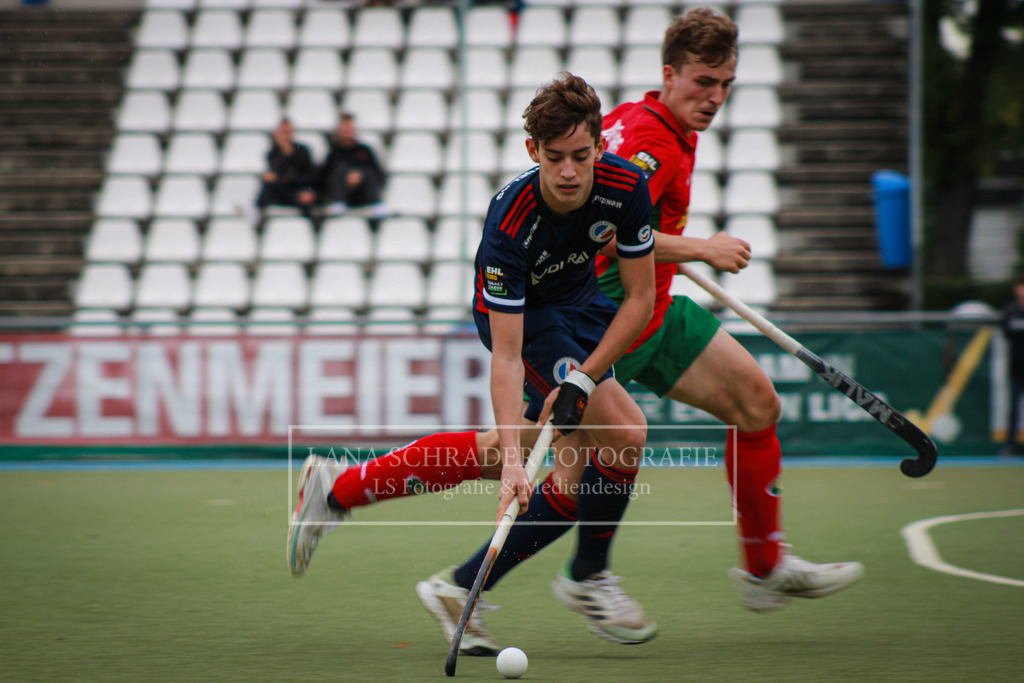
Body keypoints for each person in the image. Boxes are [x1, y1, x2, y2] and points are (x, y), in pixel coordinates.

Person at [288, 7, 864, 654]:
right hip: (540, 316)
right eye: (704, 82)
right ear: (668, 74)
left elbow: (639, 279)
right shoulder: (536, 209)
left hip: (614, 307)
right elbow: (506, 355)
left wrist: (588, 373)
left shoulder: (629, 159)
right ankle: (535, 576)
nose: (716, 97)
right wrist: (699, 247)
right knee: (557, 453)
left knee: (706, 418)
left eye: (726, 84)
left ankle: (357, 502)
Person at [288, 72, 659, 648]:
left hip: (584, 304)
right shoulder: (509, 222)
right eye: (554, 157)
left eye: (580, 156)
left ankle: (343, 491)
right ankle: (587, 577)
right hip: (524, 321)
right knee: (624, 434)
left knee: (569, 474)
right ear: (532, 150)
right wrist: (515, 463)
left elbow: (639, 298)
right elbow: (508, 357)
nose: (567, 171)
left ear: (600, 147)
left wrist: (583, 379)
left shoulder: (625, 185)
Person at [320, 112, 388, 218]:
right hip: (342, 193)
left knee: (367, 172)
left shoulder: (365, 150)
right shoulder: (334, 152)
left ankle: (376, 203)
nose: (348, 132)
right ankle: (338, 203)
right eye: (345, 129)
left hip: (362, 195)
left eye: (350, 128)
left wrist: (359, 176)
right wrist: (346, 178)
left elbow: (377, 172)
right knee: (340, 170)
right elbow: (326, 175)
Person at [256, 119, 318, 219]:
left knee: (306, 198)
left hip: (300, 188)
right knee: (268, 184)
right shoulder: (273, 153)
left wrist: (289, 178)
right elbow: (276, 174)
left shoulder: (302, 151)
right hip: (283, 191)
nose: (285, 135)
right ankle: (259, 216)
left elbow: (311, 176)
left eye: (287, 132)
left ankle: (309, 227)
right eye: (282, 132)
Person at [999, 272, 1024, 456]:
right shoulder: (1010, 312)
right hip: (1016, 368)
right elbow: (1007, 333)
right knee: (1014, 410)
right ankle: (1010, 444)